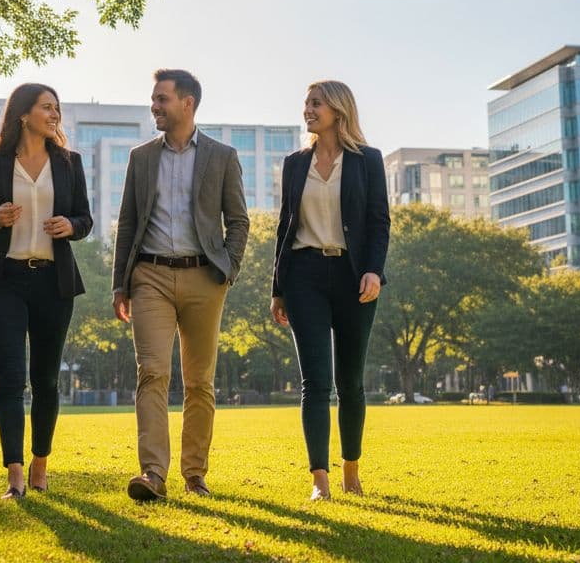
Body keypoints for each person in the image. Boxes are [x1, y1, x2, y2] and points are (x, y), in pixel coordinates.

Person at [112, 69, 249, 501]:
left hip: (205, 278)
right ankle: (153, 473)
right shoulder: (141, 157)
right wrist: (121, 284)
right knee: (151, 372)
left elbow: (239, 220)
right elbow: (129, 222)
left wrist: (228, 268)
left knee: (199, 382)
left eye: (161, 99)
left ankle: (195, 475)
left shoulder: (222, 156)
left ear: (187, 103)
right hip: (149, 275)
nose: (154, 106)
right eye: (154, 99)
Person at [0, 83, 93, 500]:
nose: (54, 114)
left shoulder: (70, 162)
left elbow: (85, 220)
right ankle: (15, 476)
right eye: (46, 107)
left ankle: (40, 466)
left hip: (53, 283)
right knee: (10, 380)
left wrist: (70, 226)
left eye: (57, 107)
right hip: (4, 282)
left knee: (46, 380)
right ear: (24, 114)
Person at [270, 80, 389, 502]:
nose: (307, 109)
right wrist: (278, 289)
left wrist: (374, 270)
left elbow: (379, 222)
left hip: (353, 275)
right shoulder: (294, 162)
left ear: (338, 110)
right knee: (314, 382)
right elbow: (285, 226)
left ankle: (350, 472)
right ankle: (319, 480)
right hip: (303, 274)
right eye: (305, 102)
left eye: (316, 103)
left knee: (350, 381)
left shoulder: (368, 160)